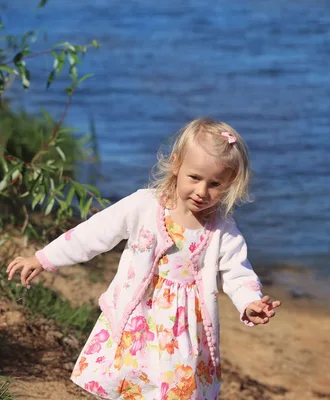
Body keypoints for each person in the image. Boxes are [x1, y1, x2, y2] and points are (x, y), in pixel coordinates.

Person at [6, 117, 281, 399]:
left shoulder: (224, 230)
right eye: (195, 178)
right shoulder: (144, 205)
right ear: (177, 164)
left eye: (215, 184)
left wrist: (249, 302)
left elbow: (238, 273)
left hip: (183, 334)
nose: (202, 191)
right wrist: (44, 258)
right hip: (137, 318)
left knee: (175, 389)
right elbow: (92, 234)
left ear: (230, 184)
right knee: (129, 383)